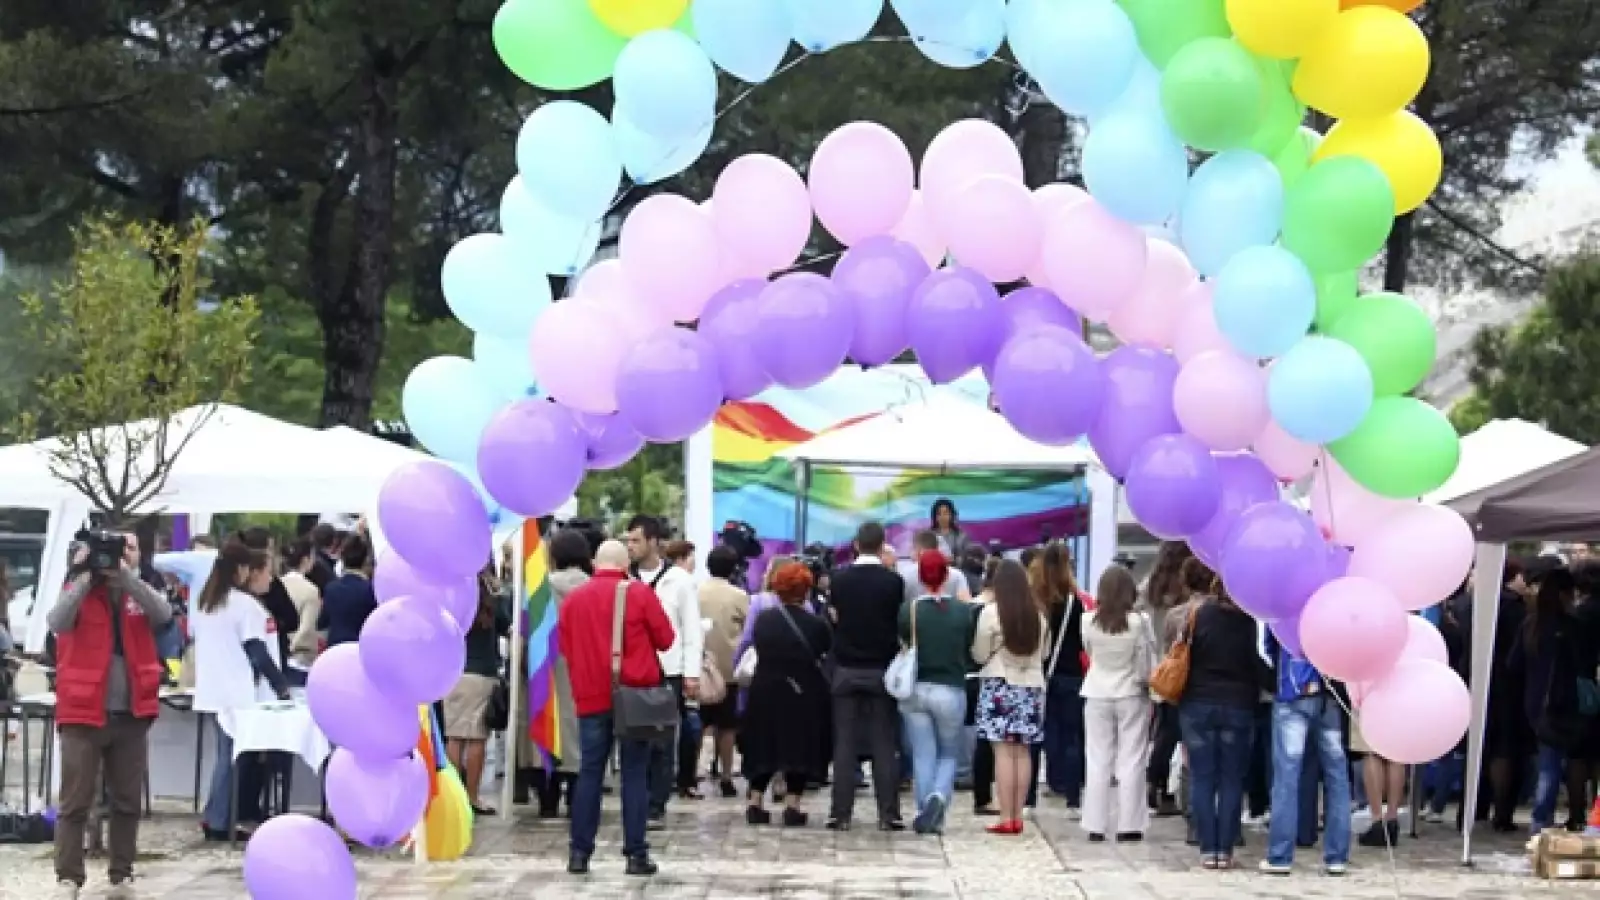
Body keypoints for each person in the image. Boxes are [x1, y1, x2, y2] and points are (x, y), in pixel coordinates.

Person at [48, 533, 174, 899]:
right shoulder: (78, 587)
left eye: (129, 548)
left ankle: (121, 875)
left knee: (127, 801)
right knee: (75, 801)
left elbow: (164, 615)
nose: (119, 556)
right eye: (116, 549)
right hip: (82, 712)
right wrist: (84, 575)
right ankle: (68, 878)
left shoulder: (140, 591)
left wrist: (127, 579)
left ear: (136, 555)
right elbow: (57, 621)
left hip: (131, 712)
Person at [558, 539, 675, 877]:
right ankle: (636, 854)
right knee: (635, 773)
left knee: (590, 772)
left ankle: (579, 853)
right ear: (625, 566)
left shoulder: (574, 600)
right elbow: (666, 639)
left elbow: (566, 648)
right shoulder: (639, 594)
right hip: (634, 696)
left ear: (595, 564)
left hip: (589, 696)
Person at [189, 537, 292, 843]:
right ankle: (220, 820)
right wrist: (280, 685)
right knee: (232, 758)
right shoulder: (244, 605)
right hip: (236, 691)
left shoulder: (206, 603)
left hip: (211, 688)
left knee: (224, 755)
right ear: (241, 569)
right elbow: (257, 650)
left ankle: (215, 814)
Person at [1180, 575, 1272, 870]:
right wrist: (1274, 682)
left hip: (1198, 704)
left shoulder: (1198, 616)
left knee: (1203, 778)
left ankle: (1207, 848)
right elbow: (1256, 665)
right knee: (1232, 779)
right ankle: (1225, 848)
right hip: (1237, 706)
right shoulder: (1246, 622)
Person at [825, 522, 907, 831]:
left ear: (856, 544)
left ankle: (840, 813)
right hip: (881, 669)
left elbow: (836, 617)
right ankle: (888, 813)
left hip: (846, 668)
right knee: (884, 743)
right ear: (882, 545)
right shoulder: (893, 582)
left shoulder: (839, 580)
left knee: (845, 743)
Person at [739, 561, 832, 827]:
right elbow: (824, 652)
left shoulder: (764, 620)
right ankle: (793, 805)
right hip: (802, 691)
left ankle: (755, 801)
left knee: (764, 744)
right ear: (806, 590)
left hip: (765, 689)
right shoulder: (816, 625)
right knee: (798, 746)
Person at [623, 515, 702, 822]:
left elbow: (691, 628)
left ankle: (656, 802)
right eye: (628, 540)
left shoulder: (679, 581)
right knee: (632, 736)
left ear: (654, 542)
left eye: (636, 540)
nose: (630, 546)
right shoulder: (624, 578)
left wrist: (691, 672)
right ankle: (638, 798)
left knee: (662, 739)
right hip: (631, 670)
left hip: (668, 669)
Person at [1259, 631, 1351, 876]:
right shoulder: (1331, 610)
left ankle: (1280, 856)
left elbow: (1268, 647)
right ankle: (1337, 856)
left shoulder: (1285, 613)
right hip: (1330, 695)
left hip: (1292, 691)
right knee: (1337, 778)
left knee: (1286, 778)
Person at [900, 550, 975, 834]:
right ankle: (939, 796)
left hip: (916, 688)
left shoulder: (909, 610)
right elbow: (969, 647)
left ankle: (924, 809)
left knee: (923, 754)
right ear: (946, 575)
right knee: (949, 754)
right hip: (950, 687)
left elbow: (903, 642)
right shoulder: (963, 612)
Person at [1509, 566, 1588, 835]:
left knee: (1547, 761)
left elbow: (1514, 663)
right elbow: (1583, 663)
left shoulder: (1531, 624)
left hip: (1535, 700)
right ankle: (1543, 817)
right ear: (1566, 593)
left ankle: (1541, 819)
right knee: (1555, 763)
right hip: (1564, 701)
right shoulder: (1572, 626)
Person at [973, 558, 1049, 836]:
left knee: (1003, 752)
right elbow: (1044, 653)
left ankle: (1005, 816)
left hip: (1000, 683)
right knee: (1023, 751)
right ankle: (1018, 814)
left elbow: (980, 653)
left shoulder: (991, 613)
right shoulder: (1039, 616)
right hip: (1031, 686)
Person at [1080, 565, 1154, 843]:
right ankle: (1129, 824)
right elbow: (1145, 659)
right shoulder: (1140, 621)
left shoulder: (1087, 620)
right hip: (1131, 691)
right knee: (1132, 758)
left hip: (1097, 689)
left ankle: (1095, 824)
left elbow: (1089, 652)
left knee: (1097, 758)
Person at [444, 570, 512, 817]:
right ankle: (472, 796)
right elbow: (507, 625)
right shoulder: (492, 600)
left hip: (453, 673)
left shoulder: (450, 598)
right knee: (477, 738)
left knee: (454, 737)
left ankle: (453, 797)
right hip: (482, 673)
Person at [1032, 541, 1090, 811]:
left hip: (1041, 673)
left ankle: (1041, 787)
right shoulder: (1074, 603)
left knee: (1045, 733)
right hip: (1070, 673)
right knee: (1072, 735)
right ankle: (1072, 793)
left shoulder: (1037, 600)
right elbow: (1081, 642)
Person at [698, 545, 749, 798]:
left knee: (699, 722)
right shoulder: (739, 596)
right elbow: (747, 628)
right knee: (727, 726)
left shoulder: (696, 591)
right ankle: (726, 776)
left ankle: (692, 771)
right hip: (729, 668)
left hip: (700, 667)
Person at [240, 528, 300, 665]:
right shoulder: (249, 595)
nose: (273, 554)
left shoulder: (273, 583)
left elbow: (293, 620)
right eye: (270, 549)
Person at [316, 534, 376, 647]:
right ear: (366, 560)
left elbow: (322, 622)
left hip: (335, 647)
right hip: (361, 646)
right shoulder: (371, 590)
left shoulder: (331, 589)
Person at [281, 539, 323, 685]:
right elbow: (306, 627)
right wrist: (291, 647)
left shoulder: (276, 585)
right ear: (305, 560)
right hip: (300, 657)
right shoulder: (311, 590)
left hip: (279, 654)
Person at [899, 530, 971, 602]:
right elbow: (966, 603)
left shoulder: (903, 574)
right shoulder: (957, 575)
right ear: (937, 548)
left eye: (912, 549)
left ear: (918, 550)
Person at [929, 497, 973, 564]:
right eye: (939, 514)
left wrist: (954, 560)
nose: (942, 517)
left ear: (952, 515)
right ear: (934, 517)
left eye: (946, 513)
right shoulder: (928, 535)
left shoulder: (961, 536)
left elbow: (968, 558)